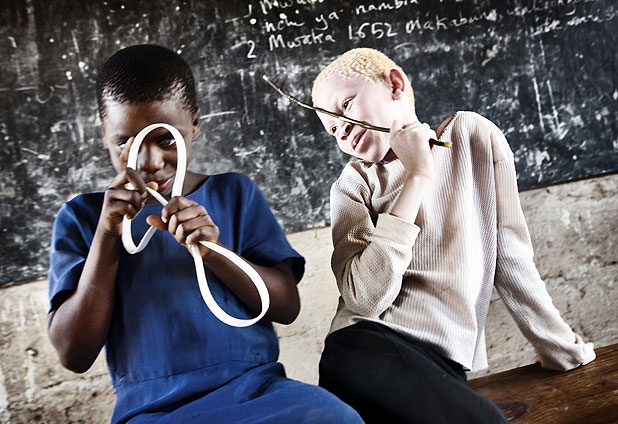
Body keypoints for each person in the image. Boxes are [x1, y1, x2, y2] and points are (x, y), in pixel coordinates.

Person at [47, 44, 363, 424]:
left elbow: (286, 307)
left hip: (255, 392)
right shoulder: (83, 219)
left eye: (166, 139)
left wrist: (214, 252)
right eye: (125, 142)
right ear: (104, 134)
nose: (150, 162)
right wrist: (107, 237)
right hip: (153, 411)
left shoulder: (234, 194)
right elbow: (74, 355)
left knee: (336, 418)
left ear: (194, 124)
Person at [310, 47, 596, 424]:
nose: (342, 129)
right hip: (365, 348)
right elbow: (364, 300)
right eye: (332, 129)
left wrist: (560, 349)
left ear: (395, 84)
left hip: (442, 367)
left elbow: (511, 260)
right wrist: (418, 175)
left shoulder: (472, 136)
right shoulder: (353, 185)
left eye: (346, 105)